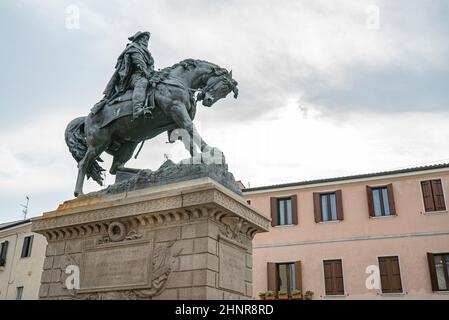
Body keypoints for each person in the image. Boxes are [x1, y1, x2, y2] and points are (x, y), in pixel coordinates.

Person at [102, 31, 155, 120]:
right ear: (139, 40)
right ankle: (137, 109)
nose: (146, 41)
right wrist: (146, 73)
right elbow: (138, 62)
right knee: (142, 82)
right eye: (144, 39)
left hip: (147, 74)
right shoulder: (134, 48)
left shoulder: (147, 53)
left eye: (147, 40)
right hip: (134, 77)